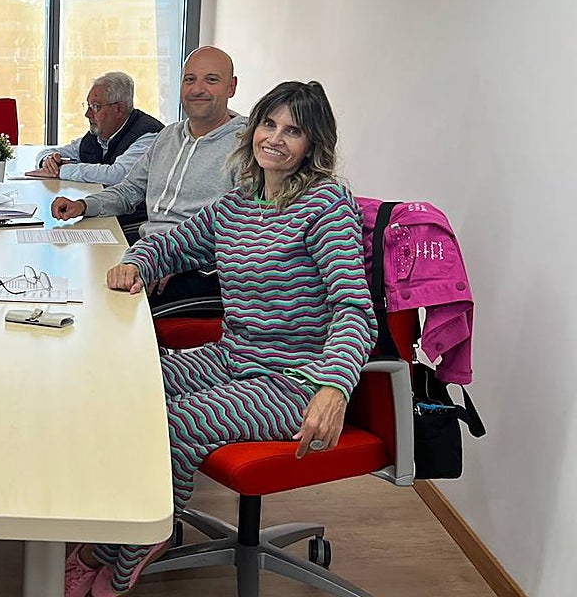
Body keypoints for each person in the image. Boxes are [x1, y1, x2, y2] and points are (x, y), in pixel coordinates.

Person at [63, 81, 377, 597]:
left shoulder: (326, 206)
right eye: (269, 124)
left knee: (174, 422)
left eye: (293, 130)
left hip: (296, 380)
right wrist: (136, 263)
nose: (275, 138)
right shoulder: (239, 203)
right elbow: (174, 244)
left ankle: (131, 547)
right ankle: (115, 529)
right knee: (124, 384)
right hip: (235, 357)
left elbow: (353, 310)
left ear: (313, 144)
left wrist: (335, 386)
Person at [51, 47, 245, 303]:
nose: (198, 89)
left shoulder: (247, 146)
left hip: (194, 267)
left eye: (211, 80)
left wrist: (171, 259)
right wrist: (84, 205)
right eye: (190, 79)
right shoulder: (168, 136)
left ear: (231, 87)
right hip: (148, 250)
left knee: (100, 300)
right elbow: (129, 190)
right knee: (72, 270)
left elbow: (240, 229)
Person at [26, 71, 162, 188]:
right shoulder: (99, 134)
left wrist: (61, 170)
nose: (87, 114)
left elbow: (119, 175)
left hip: (138, 210)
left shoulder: (148, 134)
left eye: (96, 107)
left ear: (119, 108)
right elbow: (55, 152)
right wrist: (48, 161)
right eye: (88, 106)